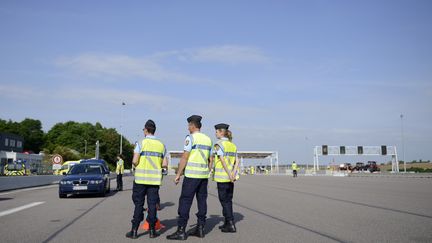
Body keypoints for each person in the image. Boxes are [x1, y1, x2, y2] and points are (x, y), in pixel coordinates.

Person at [167, 115, 213, 240]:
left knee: (185, 201)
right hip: (203, 176)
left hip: (192, 176)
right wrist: (207, 171)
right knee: (202, 201)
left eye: (188, 126)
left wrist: (178, 174)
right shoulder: (208, 139)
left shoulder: (190, 138)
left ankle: (181, 230)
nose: (188, 128)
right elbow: (211, 159)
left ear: (192, 125)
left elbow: (185, 157)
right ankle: (200, 228)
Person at [126, 120, 168, 239]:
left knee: (138, 204)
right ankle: (152, 231)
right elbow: (164, 164)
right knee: (152, 205)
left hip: (140, 180)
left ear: (146, 130)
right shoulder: (161, 145)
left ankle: (134, 231)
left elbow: (134, 161)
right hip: (154, 181)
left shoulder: (140, 143)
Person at [213, 123, 239, 233]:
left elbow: (222, 160)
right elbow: (237, 160)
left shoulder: (218, 144)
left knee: (224, 201)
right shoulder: (232, 145)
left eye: (216, 131)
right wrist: (233, 173)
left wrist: (228, 174)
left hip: (223, 177)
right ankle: (227, 223)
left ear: (221, 132)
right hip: (231, 178)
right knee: (228, 200)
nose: (215, 133)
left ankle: (230, 224)